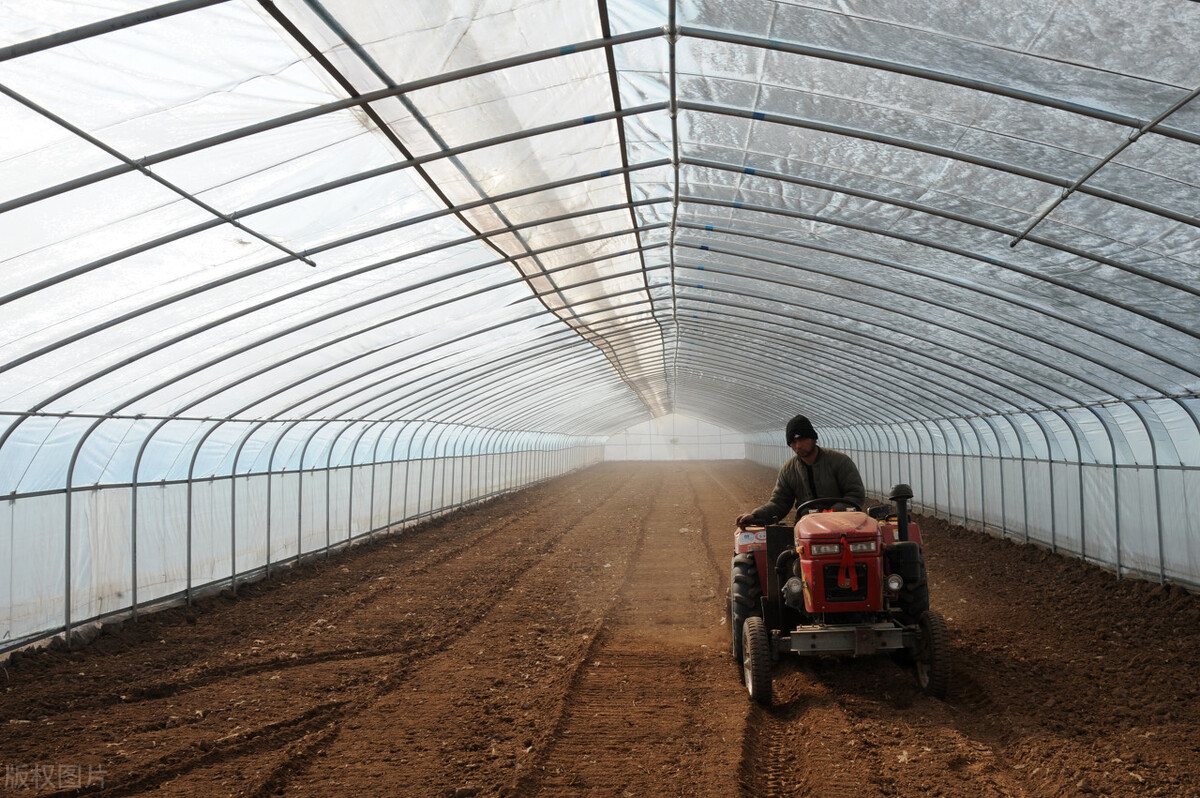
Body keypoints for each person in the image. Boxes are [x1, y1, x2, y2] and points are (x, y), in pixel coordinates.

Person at [736, 414, 866, 527]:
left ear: (813, 438)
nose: (798, 446)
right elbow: (779, 503)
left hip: (842, 524)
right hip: (806, 526)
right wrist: (755, 516)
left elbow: (855, 494)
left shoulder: (840, 462)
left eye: (802, 439)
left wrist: (832, 513)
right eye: (793, 442)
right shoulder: (788, 470)